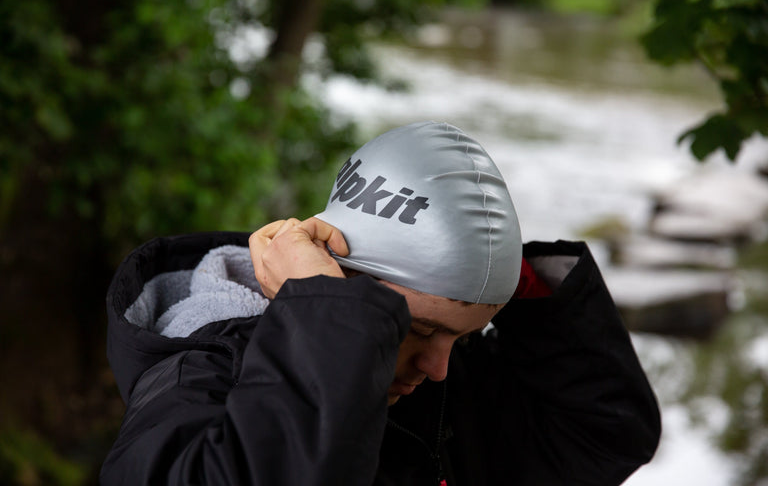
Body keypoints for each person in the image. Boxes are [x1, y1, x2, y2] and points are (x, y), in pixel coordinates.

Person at [101, 121, 661, 485]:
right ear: (335, 272)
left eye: (463, 336)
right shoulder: (194, 383)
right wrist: (326, 317)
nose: (438, 368)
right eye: (418, 328)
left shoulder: (442, 377)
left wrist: (527, 287)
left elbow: (603, 436)